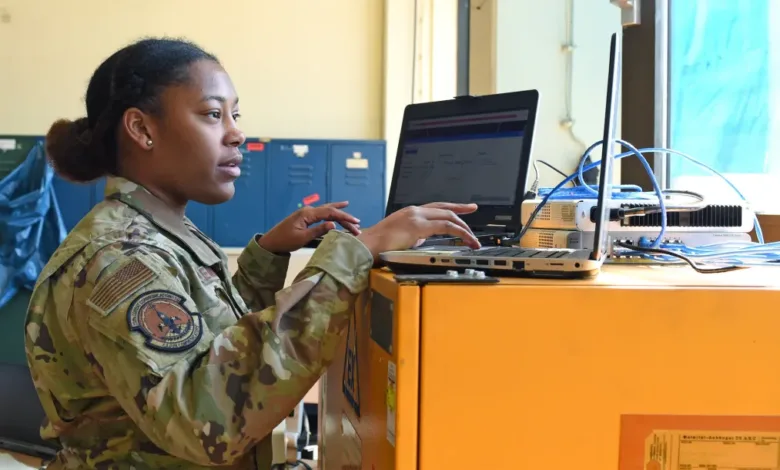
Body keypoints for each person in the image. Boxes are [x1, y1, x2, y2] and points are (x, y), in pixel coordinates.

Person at [24, 37, 481, 470]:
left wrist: (267, 256)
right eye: (212, 114)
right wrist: (353, 256)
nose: (236, 134)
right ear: (142, 129)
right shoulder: (119, 257)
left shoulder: (156, 233)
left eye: (235, 115)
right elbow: (208, 417)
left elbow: (208, 344)